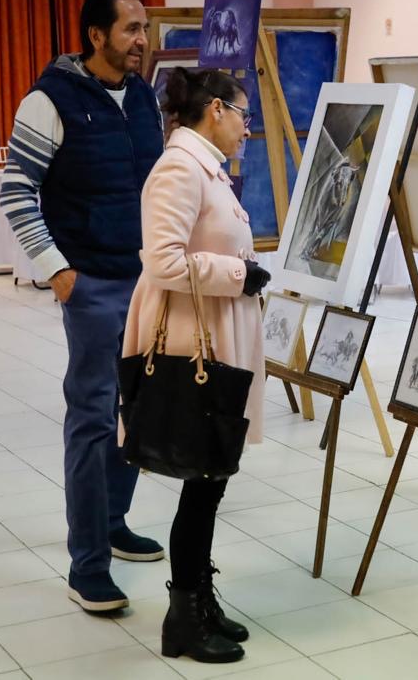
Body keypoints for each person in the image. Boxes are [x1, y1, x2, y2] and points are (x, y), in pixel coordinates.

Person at [0, 0, 165, 612]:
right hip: (92, 283)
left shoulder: (145, 97)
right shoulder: (49, 100)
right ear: (95, 36)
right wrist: (58, 272)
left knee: (140, 411)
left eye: (143, 29)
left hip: (148, 281)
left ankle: (115, 523)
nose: (141, 41)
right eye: (129, 30)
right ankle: (87, 562)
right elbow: (17, 193)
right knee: (93, 420)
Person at [122, 67, 270, 663]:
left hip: (212, 332)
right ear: (215, 109)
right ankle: (182, 619)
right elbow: (162, 262)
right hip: (191, 343)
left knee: (212, 478)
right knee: (204, 477)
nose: (246, 128)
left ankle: (199, 600)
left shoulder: (202, 165)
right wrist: (238, 275)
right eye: (243, 115)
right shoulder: (180, 167)